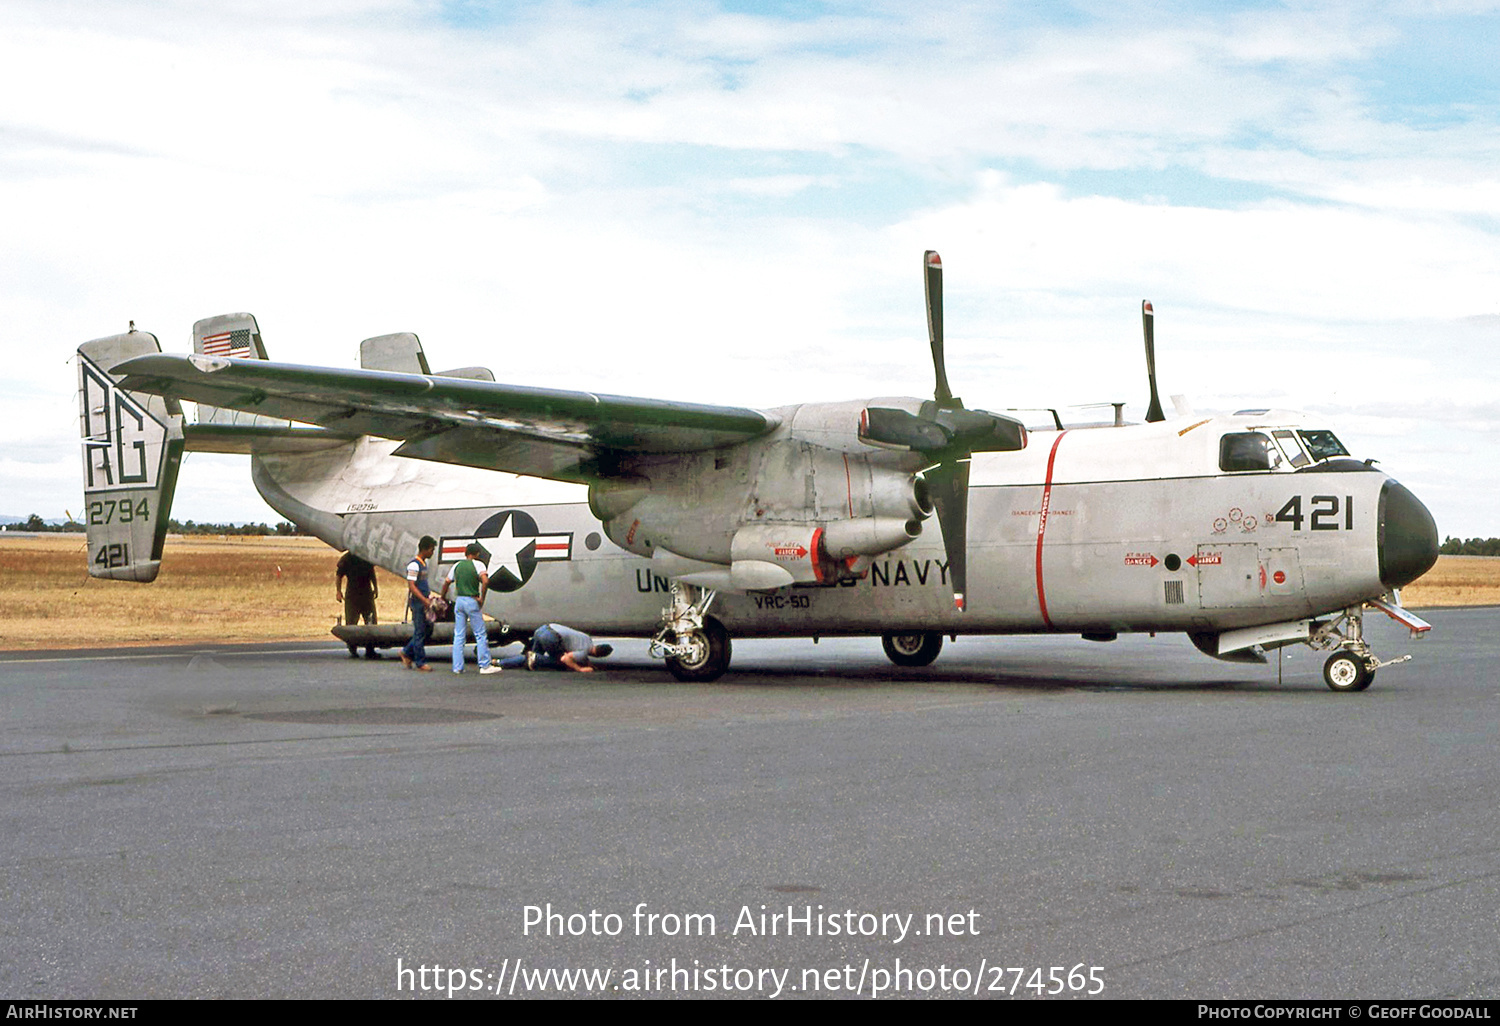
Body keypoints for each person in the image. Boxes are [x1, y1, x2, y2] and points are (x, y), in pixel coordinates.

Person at [440, 543, 501, 675]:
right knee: (479, 634)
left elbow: (446, 582)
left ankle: (457, 666)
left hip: (459, 600)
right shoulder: (478, 565)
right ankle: (484, 665)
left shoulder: (457, 565)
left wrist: (442, 597)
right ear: (477, 554)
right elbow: (485, 581)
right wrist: (482, 598)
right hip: (472, 600)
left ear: (465, 553)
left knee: (459, 635)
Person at [501, 623, 613, 673]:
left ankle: (500, 662)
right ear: (598, 656)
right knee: (561, 662)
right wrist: (579, 668)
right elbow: (566, 658)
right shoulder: (584, 652)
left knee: (528, 658)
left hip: (543, 629)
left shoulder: (587, 639)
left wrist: (588, 664)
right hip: (551, 637)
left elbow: (580, 651)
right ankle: (536, 658)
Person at [400, 536, 438, 672]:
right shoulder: (414, 565)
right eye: (431, 550)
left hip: (424, 602)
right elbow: (412, 586)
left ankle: (406, 651)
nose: (432, 552)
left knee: (427, 630)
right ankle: (420, 662)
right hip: (418, 603)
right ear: (425, 549)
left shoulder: (423, 564)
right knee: (420, 631)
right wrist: (424, 600)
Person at [335, 550, 381, 659]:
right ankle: (353, 649)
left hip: (367, 593)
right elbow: (339, 575)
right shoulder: (347, 558)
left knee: (371, 622)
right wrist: (338, 591)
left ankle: (370, 650)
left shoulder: (366, 556)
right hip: (352, 595)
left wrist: (375, 587)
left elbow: (371, 572)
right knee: (351, 623)